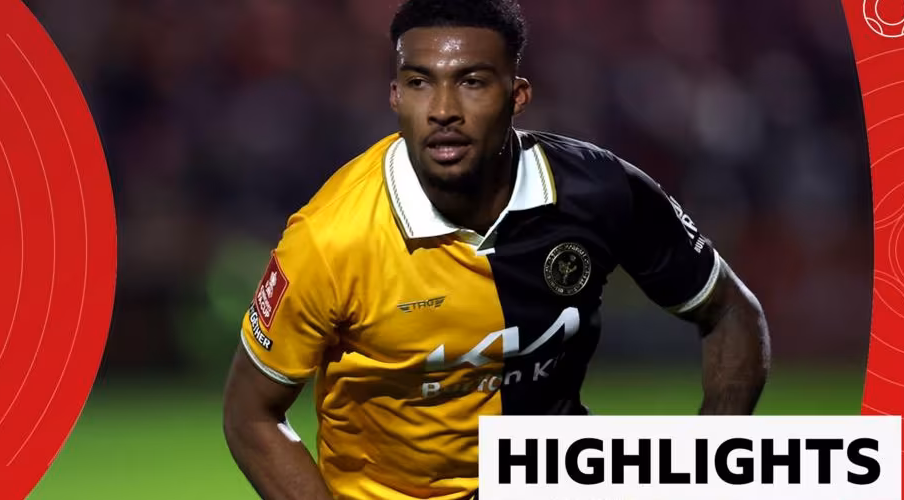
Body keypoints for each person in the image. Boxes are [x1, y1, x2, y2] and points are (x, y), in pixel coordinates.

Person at [222, 0, 770, 499]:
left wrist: (708, 469)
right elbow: (251, 416)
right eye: (419, 82)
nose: (443, 109)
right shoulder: (329, 239)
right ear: (395, 96)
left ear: (517, 96)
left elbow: (730, 311)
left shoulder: (598, 191)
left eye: (472, 82)